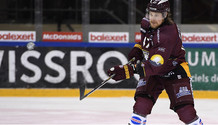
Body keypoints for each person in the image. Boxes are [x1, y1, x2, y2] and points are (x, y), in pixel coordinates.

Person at [107, 0, 203, 125]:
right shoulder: (146, 23)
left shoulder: (168, 33)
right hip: (153, 71)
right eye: (151, 14)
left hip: (173, 70)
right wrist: (138, 50)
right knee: (141, 105)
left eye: (157, 15)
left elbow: (155, 64)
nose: (153, 18)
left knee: (186, 112)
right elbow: (146, 43)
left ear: (165, 15)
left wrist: (128, 70)